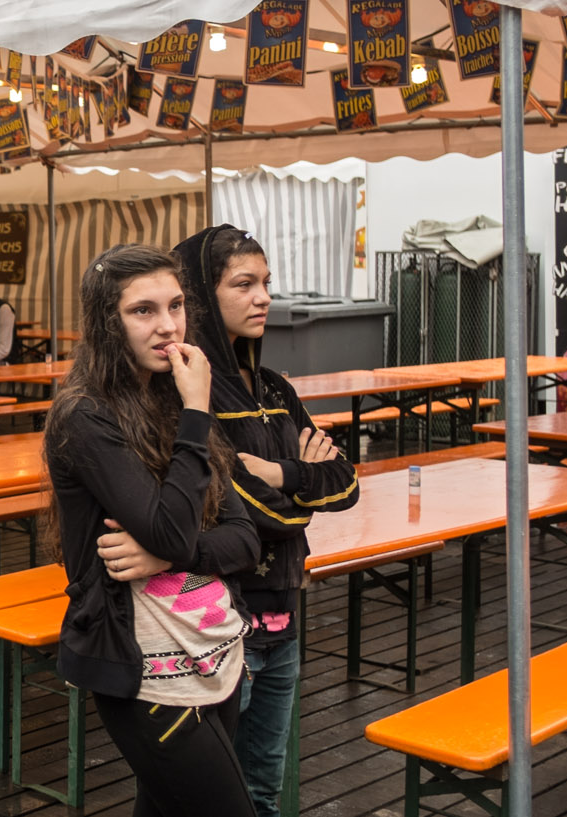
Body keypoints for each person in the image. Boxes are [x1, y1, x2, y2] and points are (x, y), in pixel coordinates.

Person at [42, 243, 260, 817]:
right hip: (145, 672)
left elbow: (245, 538)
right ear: (106, 323)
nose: (167, 326)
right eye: (143, 311)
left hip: (216, 652)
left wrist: (169, 559)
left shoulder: (173, 396)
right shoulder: (85, 415)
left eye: (176, 305)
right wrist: (196, 411)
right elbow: (169, 528)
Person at [175, 224, 359, 817]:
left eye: (266, 284)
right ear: (204, 296)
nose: (263, 298)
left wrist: (282, 476)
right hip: (221, 628)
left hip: (283, 624)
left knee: (262, 793)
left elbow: (348, 482)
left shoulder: (276, 387)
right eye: (244, 284)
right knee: (212, 800)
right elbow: (243, 511)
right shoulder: (190, 396)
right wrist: (299, 485)